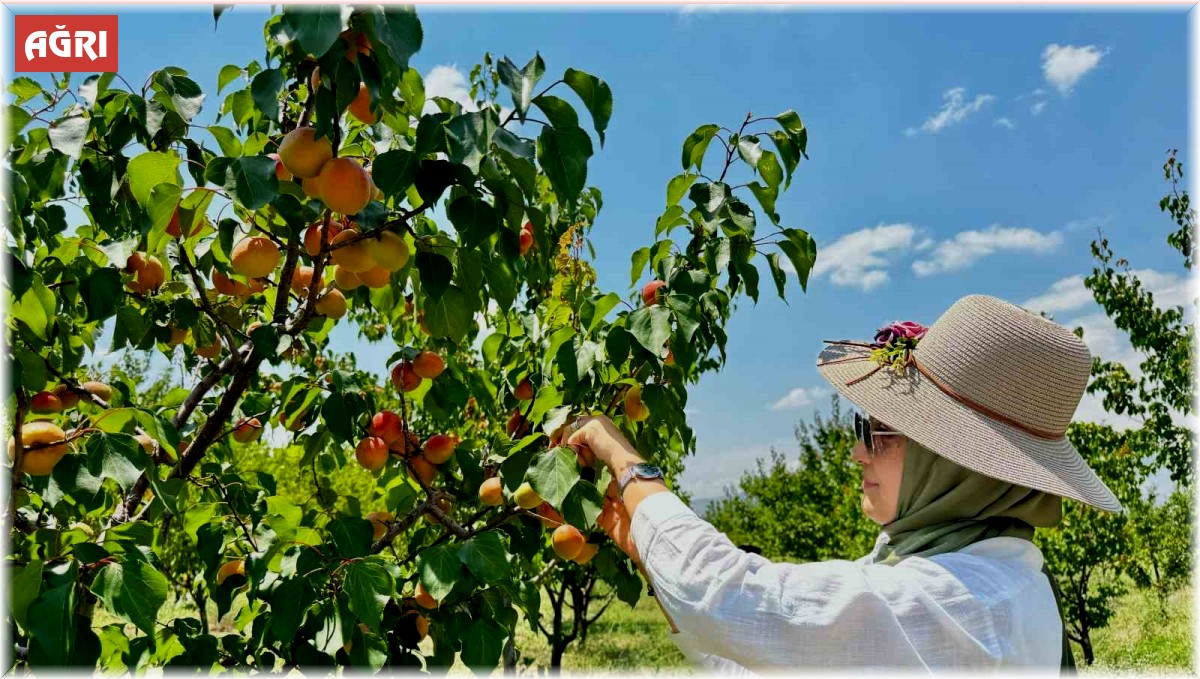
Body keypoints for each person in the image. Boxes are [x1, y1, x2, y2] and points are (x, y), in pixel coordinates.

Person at [554, 294, 1121, 672]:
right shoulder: (968, 576)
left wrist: (626, 462)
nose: (856, 452)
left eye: (877, 431)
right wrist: (644, 549)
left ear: (951, 462)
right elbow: (766, 658)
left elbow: (740, 601)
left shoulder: (972, 603)